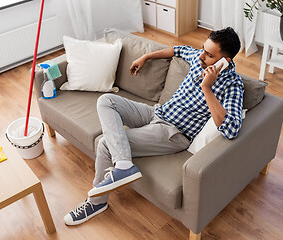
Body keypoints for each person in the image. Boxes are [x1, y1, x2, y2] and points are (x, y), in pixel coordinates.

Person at [64, 27, 244, 225]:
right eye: (203, 49)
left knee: (106, 144)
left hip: (173, 133)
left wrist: (207, 88)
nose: (201, 56)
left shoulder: (233, 85)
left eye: (209, 55)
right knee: (107, 101)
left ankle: (96, 203)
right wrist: (147, 57)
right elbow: (178, 50)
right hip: (156, 112)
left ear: (224, 61)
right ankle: (124, 165)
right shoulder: (198, 57)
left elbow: (230, 128)